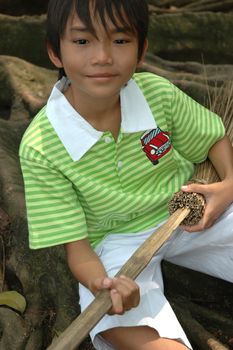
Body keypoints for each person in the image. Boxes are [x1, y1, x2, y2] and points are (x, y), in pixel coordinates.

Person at [19, 0, 233, 349]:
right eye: (82, 41)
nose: (102, 56)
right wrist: (103, 283)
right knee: (109, 315)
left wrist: (228, 186)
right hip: (114, 241)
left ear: (141, 49)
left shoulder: (157, 95)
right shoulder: (41, 146)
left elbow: (213, 138)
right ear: (55, 52)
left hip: (186, 209)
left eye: (119, 41)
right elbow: (78, 249)